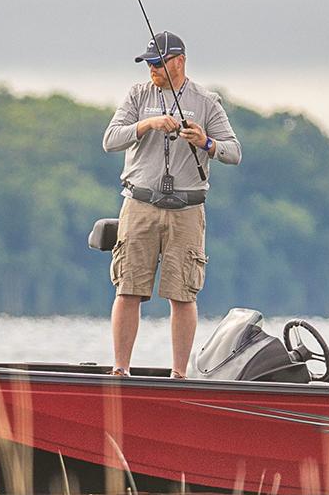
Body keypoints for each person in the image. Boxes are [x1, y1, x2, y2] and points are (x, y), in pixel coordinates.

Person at [102, 31, 241, 377]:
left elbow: (234, 152)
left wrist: (206, 142)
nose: (152, 69)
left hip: (187, 210)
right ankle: (121, 369)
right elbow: (110, 140)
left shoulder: (208, 102)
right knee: (128, 287)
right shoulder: (137, 96)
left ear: (179, 62)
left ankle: (179, 374)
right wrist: (147, 124)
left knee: (182, 294)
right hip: (140, 203)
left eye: (158, 63)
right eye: (148, 63)